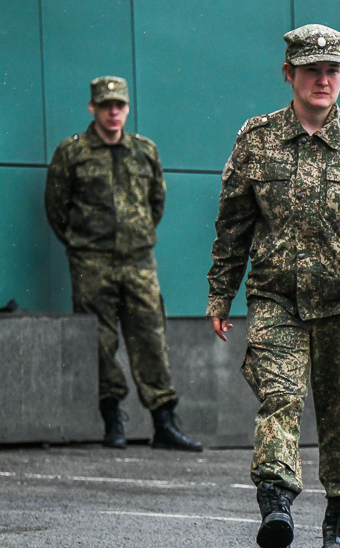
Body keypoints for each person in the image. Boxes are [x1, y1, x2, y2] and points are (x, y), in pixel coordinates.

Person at [207, 24, 340, 548]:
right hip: (278, 299)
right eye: (313, 70)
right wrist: (221, 291)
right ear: (289, 74)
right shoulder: (257, 138)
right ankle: (276, 506)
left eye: (333, 70)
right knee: (280, 397)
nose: (324, 79)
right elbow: (233, 223)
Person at [44, 76, 202, 452]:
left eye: (119, 106)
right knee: (101, 342)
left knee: (150, 336)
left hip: (138, 260)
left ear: (128, 109)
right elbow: (56, 207)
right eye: (105, 106)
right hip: (91, 261)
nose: (113, 112)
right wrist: (83, 244)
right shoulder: (73, 152)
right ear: (92, 108)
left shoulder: (144, 151)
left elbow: (156, 203)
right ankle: (112, 421)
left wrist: (136, 237)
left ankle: (164, 423)